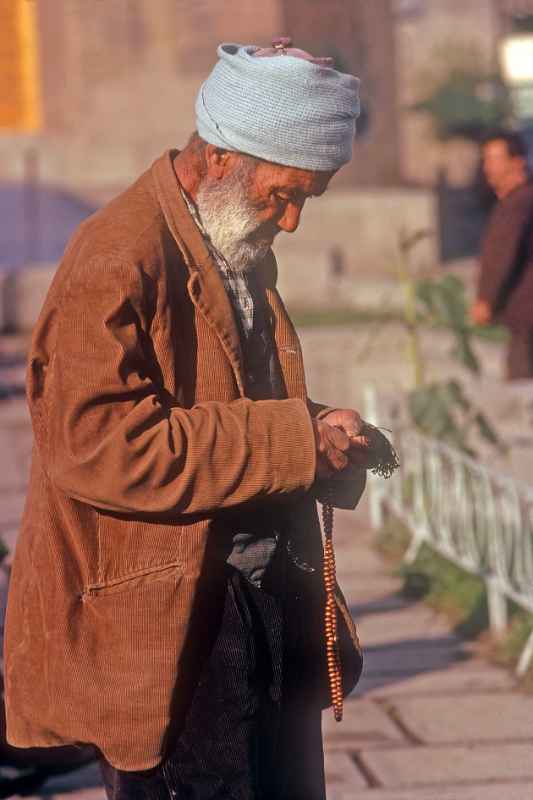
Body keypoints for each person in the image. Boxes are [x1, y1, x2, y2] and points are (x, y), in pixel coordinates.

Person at [4, 40, 370, 800]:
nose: (293, 221)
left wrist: (317, 425)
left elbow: (227, 403)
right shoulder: (117, 255)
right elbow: (102, 445)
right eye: (283, 194)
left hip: (258, 600)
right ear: (218, 159)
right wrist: (292, 439)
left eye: (310, 197)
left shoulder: (231, 237)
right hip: (176, 626)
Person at [471, 130, 533, 379]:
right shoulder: (517, 201)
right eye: (486, 160)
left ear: (517, 162)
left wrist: (486, 299)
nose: (488, 167)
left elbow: (503, 253)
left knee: (523, 389)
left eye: (495, 159)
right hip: (522, 315)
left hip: (526, 314)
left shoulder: (519, 203)